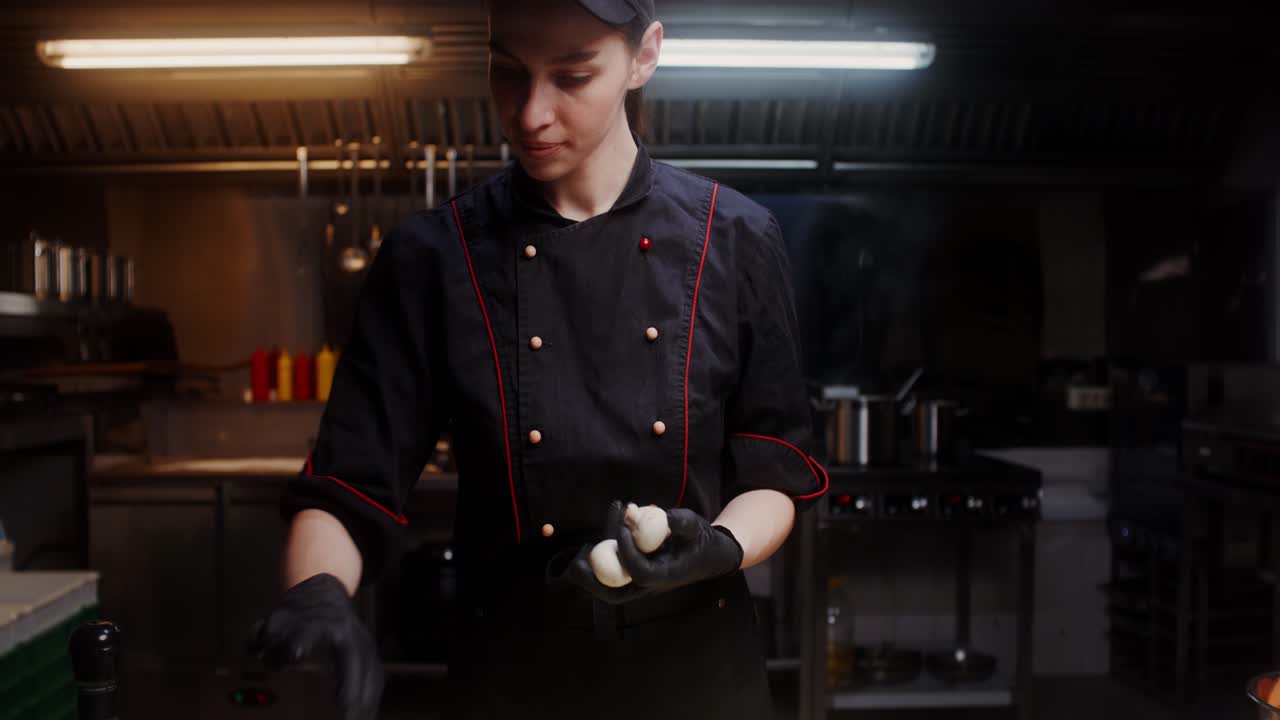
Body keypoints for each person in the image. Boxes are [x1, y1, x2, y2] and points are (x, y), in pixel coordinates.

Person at [248, 0, 829, 718]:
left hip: (698, 677)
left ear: (644, 56)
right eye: (507, 72)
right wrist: (317, 593)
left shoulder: (735, 237)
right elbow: (349, 482)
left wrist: (718, 545)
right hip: (510, 675)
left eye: (573, 76)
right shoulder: (433, 257)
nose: (529, 114)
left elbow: (774, 471)